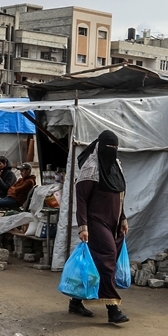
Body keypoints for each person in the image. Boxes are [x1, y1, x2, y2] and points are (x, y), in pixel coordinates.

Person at [71, 130, 130, 324]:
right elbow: (81, 199)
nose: (112, 151)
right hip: (95, 222)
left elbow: (120, 195)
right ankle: (113, 308)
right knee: (108, 258)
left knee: (96, 263)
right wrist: (83, 226)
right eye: (109, 147)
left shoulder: (116, 166)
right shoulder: (91, 169)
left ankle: (75, 301)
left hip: (114, 223)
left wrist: (123, 218)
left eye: (115, 147)